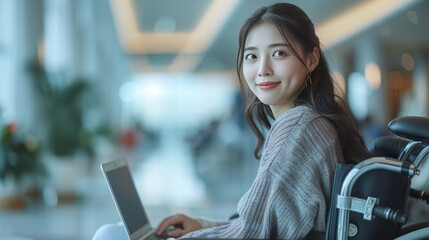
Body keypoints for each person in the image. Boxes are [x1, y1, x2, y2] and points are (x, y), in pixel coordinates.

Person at [93, 3, 371, 240]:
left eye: (279, 53)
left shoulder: (299, 128)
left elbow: (253, 233)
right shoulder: (310, 121)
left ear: (311, 59)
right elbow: (260, 225)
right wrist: (203, 225)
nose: (262, 69)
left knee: (109, 233)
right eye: (252, 56)